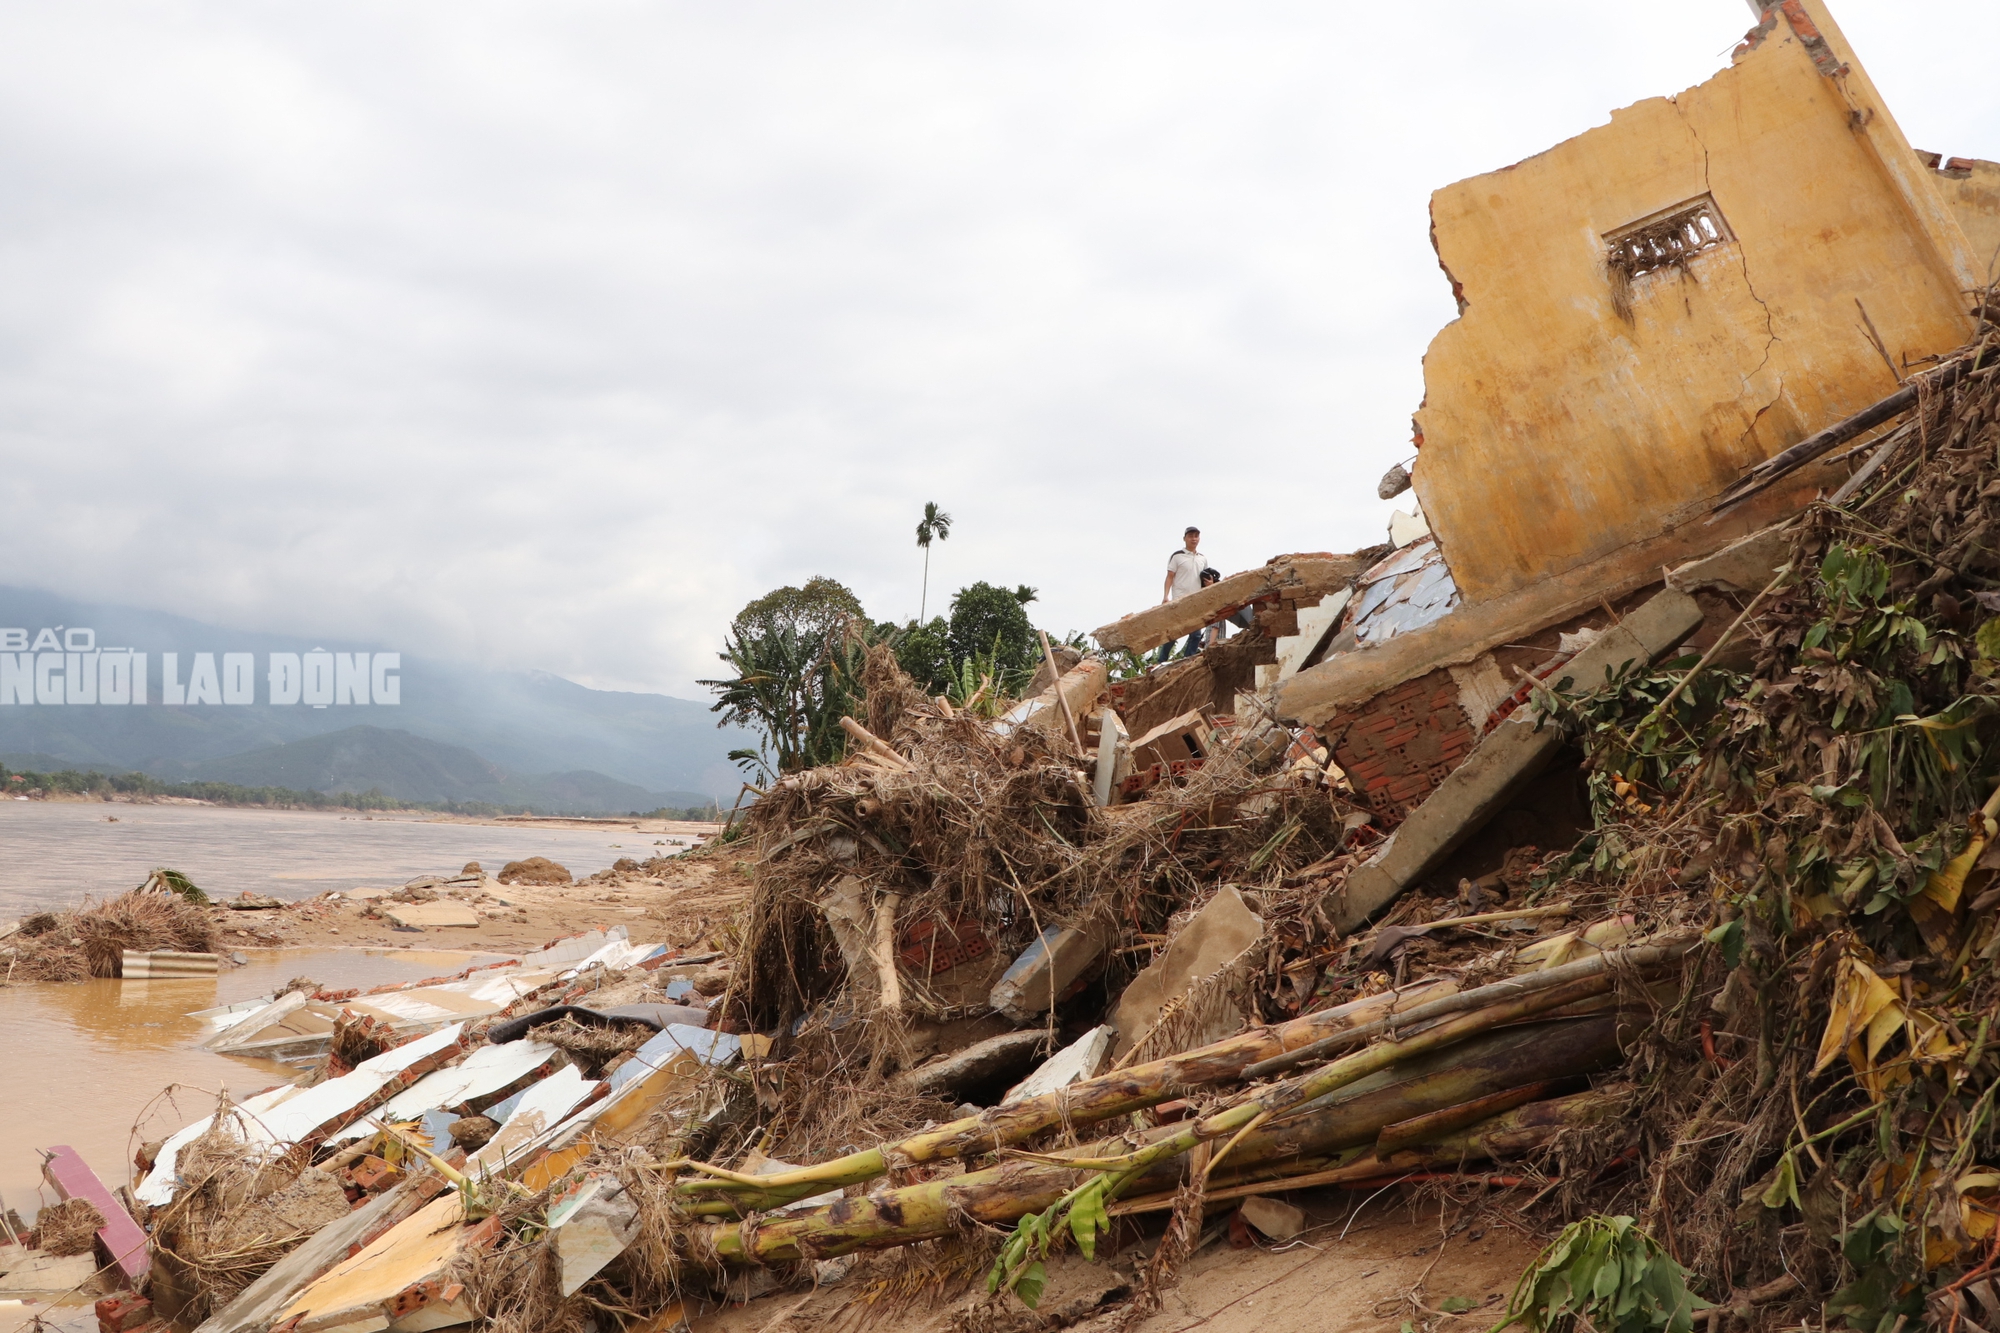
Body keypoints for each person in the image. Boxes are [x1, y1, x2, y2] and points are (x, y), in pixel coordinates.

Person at [1156, 527, 1209, 663]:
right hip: (1179, 600)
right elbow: (1170, 576)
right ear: (1185, 538)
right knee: (1173, 633)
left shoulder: (1202, 558)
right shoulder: (1177, 556)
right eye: (1191, 536)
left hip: (1195, 600)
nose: (1194, 538)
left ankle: (1187, 660)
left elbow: (1205, 578)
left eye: (1196, 536)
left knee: (1196, 634)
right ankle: (1161, 661)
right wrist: (1165, 596)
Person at [1197, 566, 1253, 649]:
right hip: (1215, 645)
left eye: (1206, 581)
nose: (1205, 584)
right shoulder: (1219, 601)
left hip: (1214, 647)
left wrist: (1210, 645)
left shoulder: (1217, 603)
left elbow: (1215, 627)